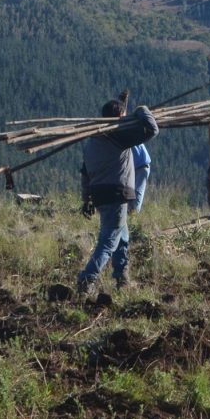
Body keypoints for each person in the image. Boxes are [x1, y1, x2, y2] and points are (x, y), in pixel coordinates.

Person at [77, 96, 159, 296]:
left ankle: (122, 278)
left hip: (100, 195)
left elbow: (85, 174)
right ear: (119, 117)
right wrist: (141, 110)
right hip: (116, 193)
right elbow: (152, 129)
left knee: (122, 236)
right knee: (109, 240)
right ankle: (87, 278)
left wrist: (86, 199)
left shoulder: (91, 142)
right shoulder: (118, 136)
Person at [129, 143, 152, 213]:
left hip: (141, 165)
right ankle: (131, 218)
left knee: (136, 196)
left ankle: (133, 218)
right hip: (136, 166)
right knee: (130, 195)